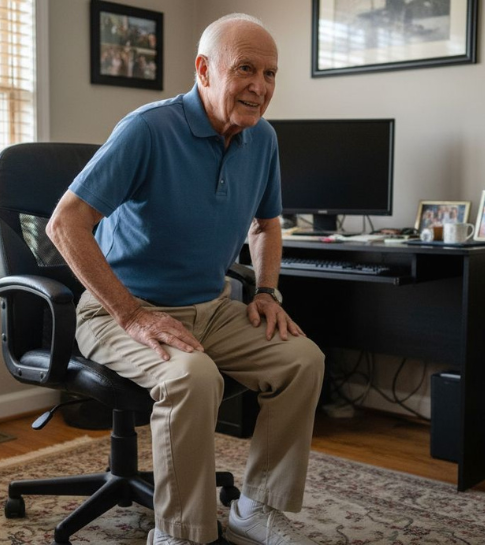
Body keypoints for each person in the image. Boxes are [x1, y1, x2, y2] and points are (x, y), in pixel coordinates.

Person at [46, 13, 324, 545]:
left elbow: (267, 225)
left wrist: (266, 291)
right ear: (204, 69)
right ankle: (180, 533)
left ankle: (254, 507)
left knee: (302, 360)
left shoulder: (262, 139)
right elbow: (66, 223)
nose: (260, 87)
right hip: (118, 311)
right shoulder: (148, 129)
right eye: (246, 69)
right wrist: (131, 313)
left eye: (270, 74)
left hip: (210, 307)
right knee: (193, 378)